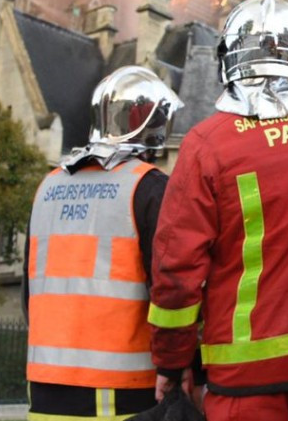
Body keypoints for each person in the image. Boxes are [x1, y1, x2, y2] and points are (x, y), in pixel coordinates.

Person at [147, 0, 288, 421]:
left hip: (244, 379)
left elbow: (176, 271)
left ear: (227, 61)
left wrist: (172, 361)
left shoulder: (206, 145)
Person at [25, 65, 183, 421]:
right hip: (122, 394)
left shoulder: (47, 187)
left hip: (43, 392)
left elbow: (29, 292)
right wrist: (177, 365)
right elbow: (171, 288)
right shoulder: (148, 187)